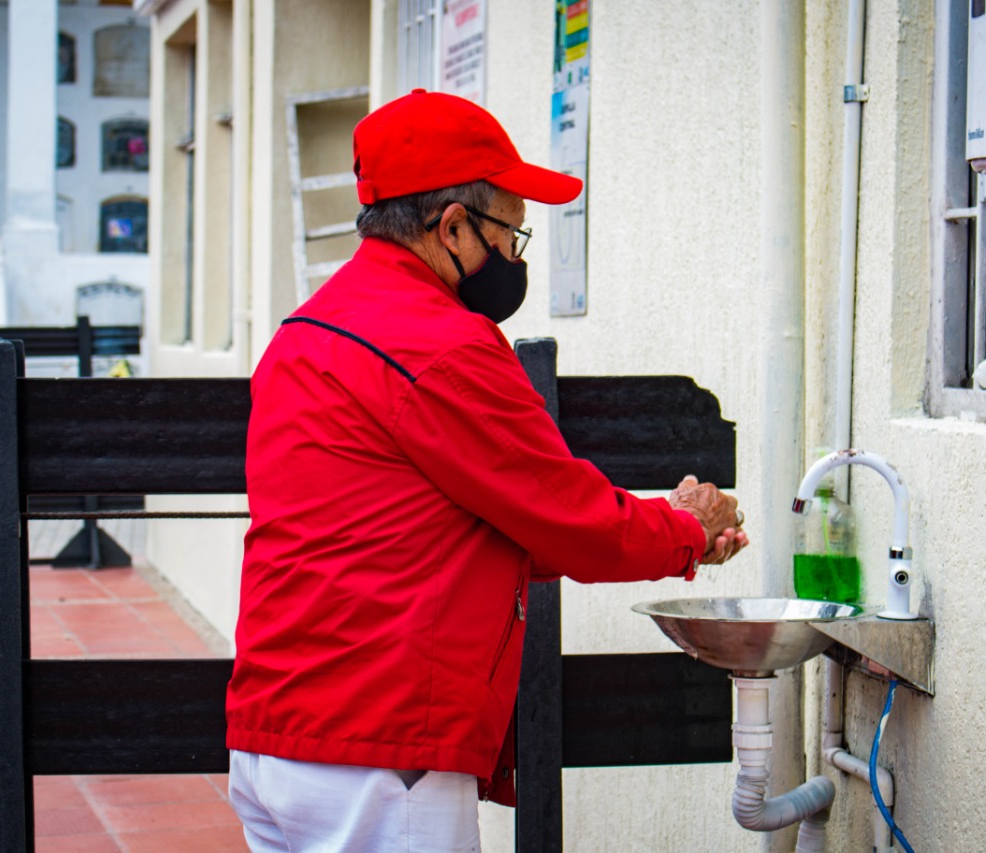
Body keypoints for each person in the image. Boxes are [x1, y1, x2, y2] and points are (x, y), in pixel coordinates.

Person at [225, 89, 748, 852]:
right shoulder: (444, 345)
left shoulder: (306, 331)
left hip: (274, 740)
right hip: (376, 752)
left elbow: (444, 529)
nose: (514, 256)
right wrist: (687, 530)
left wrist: (671, 526)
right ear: (453, 226)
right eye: (510, 231)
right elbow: (570, 521)